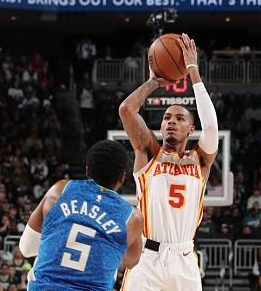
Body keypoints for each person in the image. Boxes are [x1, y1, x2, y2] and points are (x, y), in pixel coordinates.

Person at [119, 33, 218, 291]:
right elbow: (126, 110)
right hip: (147, 258)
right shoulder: (149, 151)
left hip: (184, 259)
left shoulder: (201, 160)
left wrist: (193, 70)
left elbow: (211, 126)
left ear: (190, 129)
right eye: (166, 117)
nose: (171, 121)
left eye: (179, 118)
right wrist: (153, 82)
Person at [18, 140, 143, 291]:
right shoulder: (132, 217)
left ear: (87, 171)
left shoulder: (60, 190)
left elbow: (26, 249)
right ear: (122, 178)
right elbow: (130, 262)